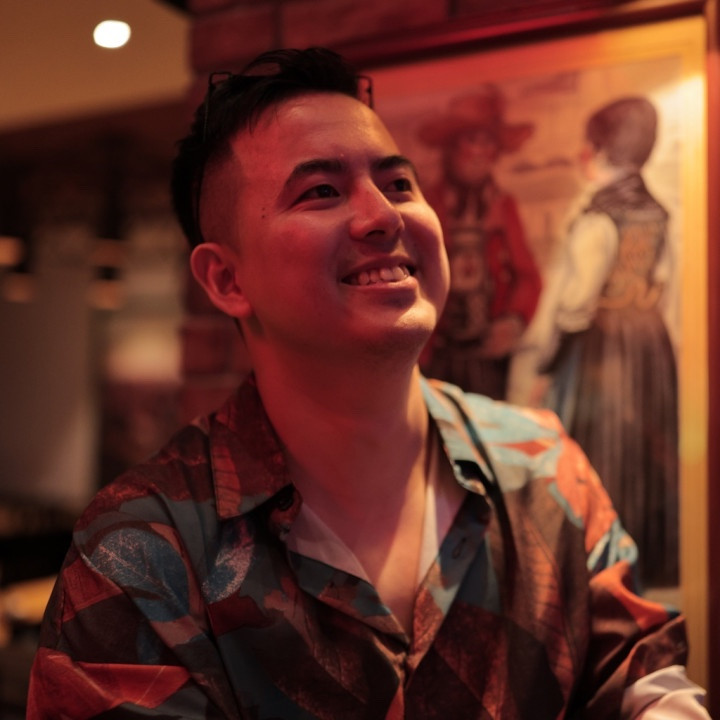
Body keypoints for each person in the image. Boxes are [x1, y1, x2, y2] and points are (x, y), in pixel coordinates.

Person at [27, 49, 708, 719]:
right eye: (321, 191)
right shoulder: (140, 552)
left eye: (399, 184)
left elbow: (640, 679)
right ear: (227, 279)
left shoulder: (545, 467)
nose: (384, 215)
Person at [534, 96, 679, 588]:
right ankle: (647, 561)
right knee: (642, 450)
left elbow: (576, 303)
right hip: (649, 345)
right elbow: (665, 282)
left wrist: (547, 365)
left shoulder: (597, 218)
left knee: (602, 449)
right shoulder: (658, 213)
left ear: (599, 150)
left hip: (603, 350)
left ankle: (600, 567)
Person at [418, 86, 542, 400]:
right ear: (451, 148)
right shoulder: (426, 203)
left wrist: (513, 320)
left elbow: (527, 276)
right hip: (438, 353)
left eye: (488, 143)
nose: (479, 153)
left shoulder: (504, 206)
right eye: (471, 141)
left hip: (488, 356)